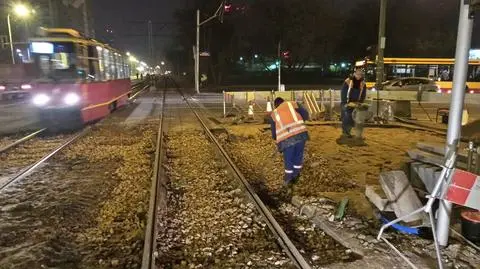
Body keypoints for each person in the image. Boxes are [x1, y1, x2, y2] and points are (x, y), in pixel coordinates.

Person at [270, 97, 309, 185]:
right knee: (298, 155)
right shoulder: (293, 103)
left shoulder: (274, 114)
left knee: (289, 158)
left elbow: (274, 133)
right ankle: (296, 175)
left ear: (275, 105)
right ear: (283, 101)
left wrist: (277, 139)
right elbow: (306, 114)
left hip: (286, 139)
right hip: (301, 135)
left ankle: (288, 179)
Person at [341, 69, 366, 138]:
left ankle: (356, 134)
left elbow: (363, 94)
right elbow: (343, 92)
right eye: (357, 74)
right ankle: (346, 132)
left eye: (360, 74)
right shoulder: (348, 81)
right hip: (347, 103)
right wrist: (345, 103)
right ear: (354, 74)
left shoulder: (362, 83)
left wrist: (360, 102)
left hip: (356, 103)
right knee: (347, 117)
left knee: (357, 118)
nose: (358, 76)